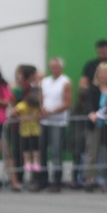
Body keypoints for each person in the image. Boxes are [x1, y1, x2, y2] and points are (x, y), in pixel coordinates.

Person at [38, 57, 71, 192]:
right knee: (42, 151)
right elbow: (41, 98)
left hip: (58, 121)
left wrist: (51, 112)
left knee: (56, 151)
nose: (53, 69)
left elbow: (67, 103)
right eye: (52, 67)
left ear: (61, 68)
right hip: (44, 121)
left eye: (56, 67)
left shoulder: (65, 82)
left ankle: (56, 180)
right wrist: (42, 109)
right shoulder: (45, 81)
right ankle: (43, 179)